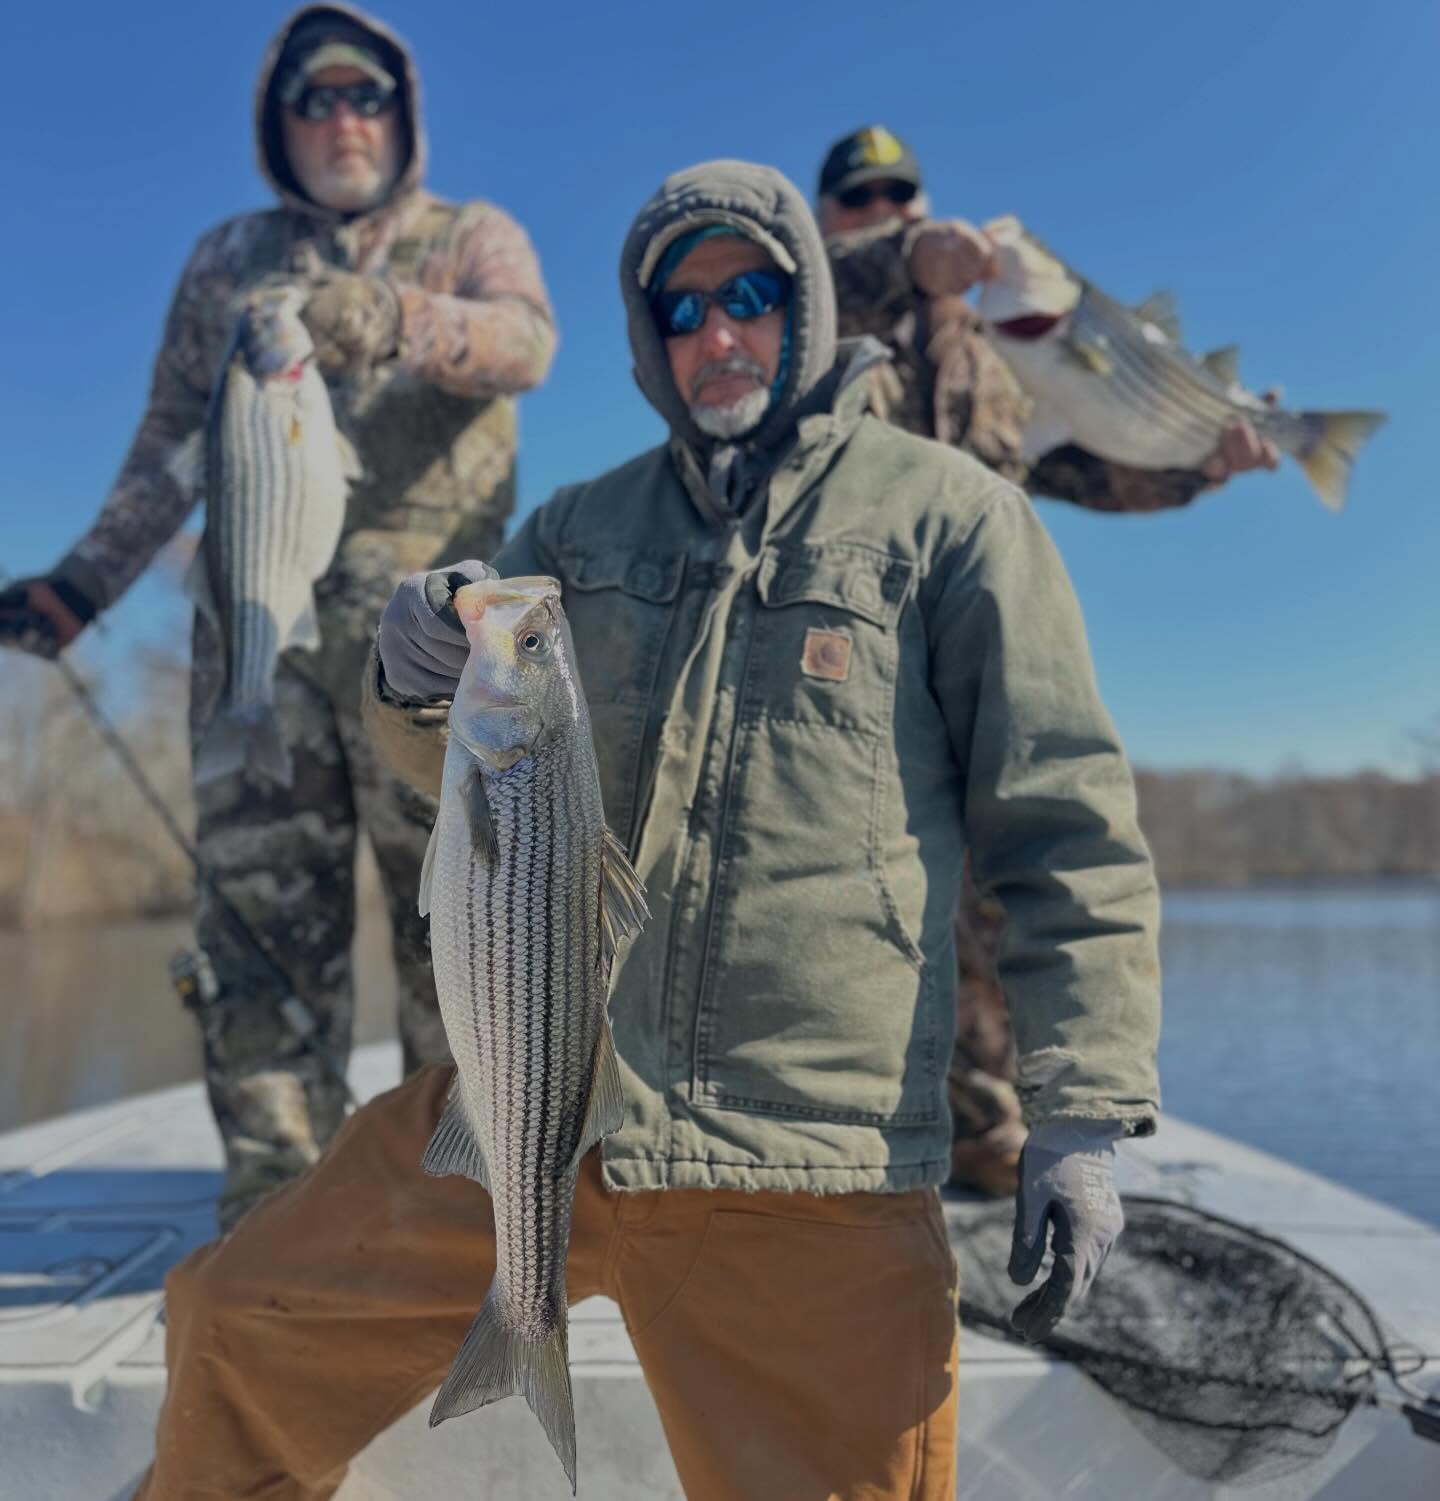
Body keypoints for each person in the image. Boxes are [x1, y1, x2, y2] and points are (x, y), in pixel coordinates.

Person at [129, 159, 1159, 1501]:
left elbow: (1065, 829)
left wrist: (1081, 1110)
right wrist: (413, 676)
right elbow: (465, 777)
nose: (715, 333)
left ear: (806, 307)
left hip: (806, 1150)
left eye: (748, 297)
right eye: (680, 310)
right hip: (541, 1097)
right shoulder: (576, 528)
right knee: (238, 1321)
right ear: (645, 339)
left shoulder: (953, 517)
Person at [0, 5, 555, 1231]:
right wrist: (84, 584)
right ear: (278, 123)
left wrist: (394, 316)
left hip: (435, 645)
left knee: (462, 918)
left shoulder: (471, 233)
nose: (343, 118)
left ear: (402, 114)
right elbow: (168, 442)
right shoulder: (228, 262)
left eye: (367, 94)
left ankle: (469, 1195)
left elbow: (527, 344)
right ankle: (277, 1203)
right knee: (256, 919)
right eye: (316, 97)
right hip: (254, 621)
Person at [818, 124, 1277, 1195]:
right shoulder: (810, 323)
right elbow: (809, 287)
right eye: (859, 198)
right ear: (829, 215)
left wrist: (1199, 465)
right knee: (854, 908)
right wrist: (908, 259)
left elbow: (1085, 468)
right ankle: (849, 1143)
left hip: (977, 663)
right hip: (846, 666)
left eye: (900, 195)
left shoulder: (1000, 353)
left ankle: (987, 1135)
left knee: (993, 902)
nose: (883, 209)